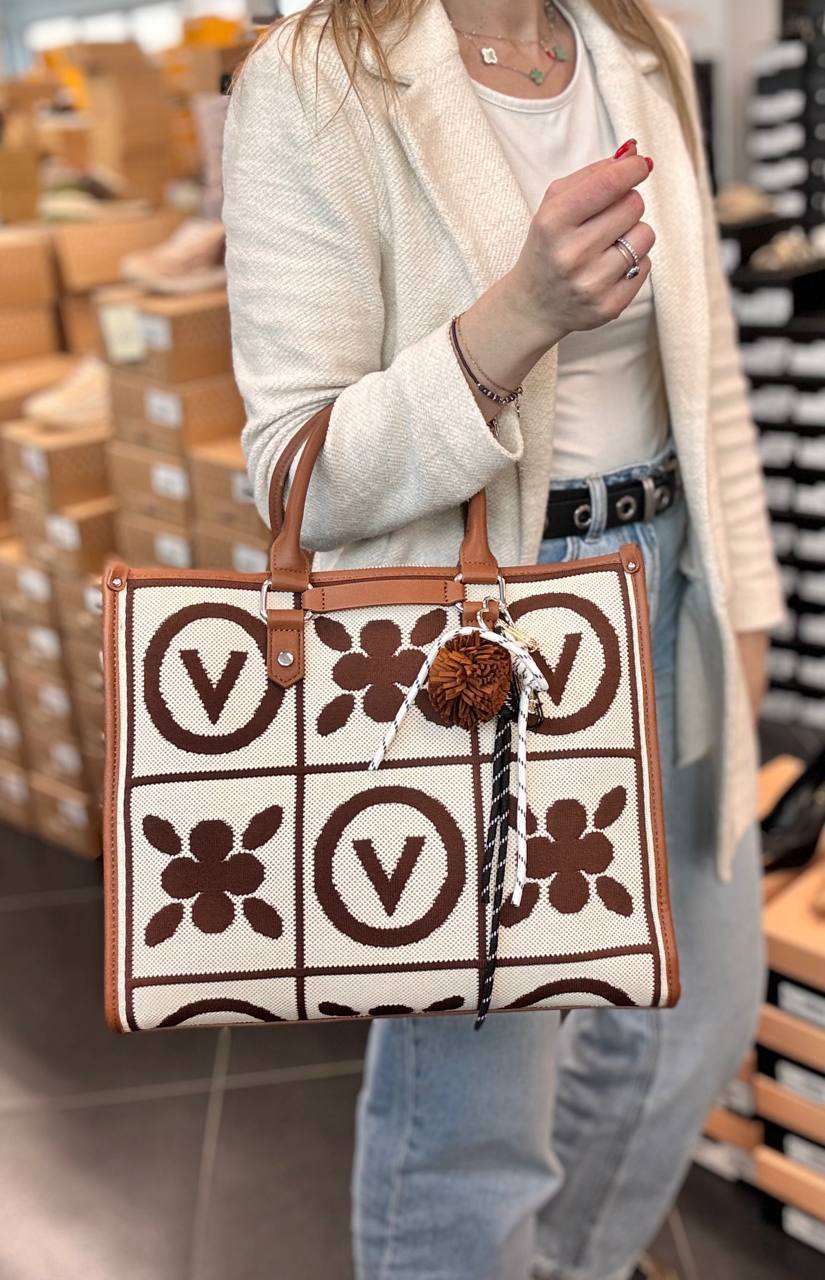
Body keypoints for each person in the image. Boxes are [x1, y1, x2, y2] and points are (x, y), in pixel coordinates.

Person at [222, 2, 785, 1277]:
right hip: (476, 625)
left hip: (667, 589)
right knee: (476, 1108)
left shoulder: (634, 44)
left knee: (692, 1014)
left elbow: (705, 376)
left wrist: (744, 600)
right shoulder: (317, 77)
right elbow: (296, 472)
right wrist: (515, 319)